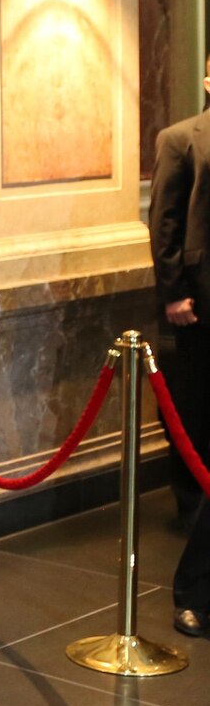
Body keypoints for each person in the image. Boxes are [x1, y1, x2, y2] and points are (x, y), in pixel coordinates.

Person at [151, 58, 210, 596]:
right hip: (200, 297)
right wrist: (173, 293)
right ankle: (193, 503)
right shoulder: (180, 138)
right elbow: (165, 218)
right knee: (194, 404)